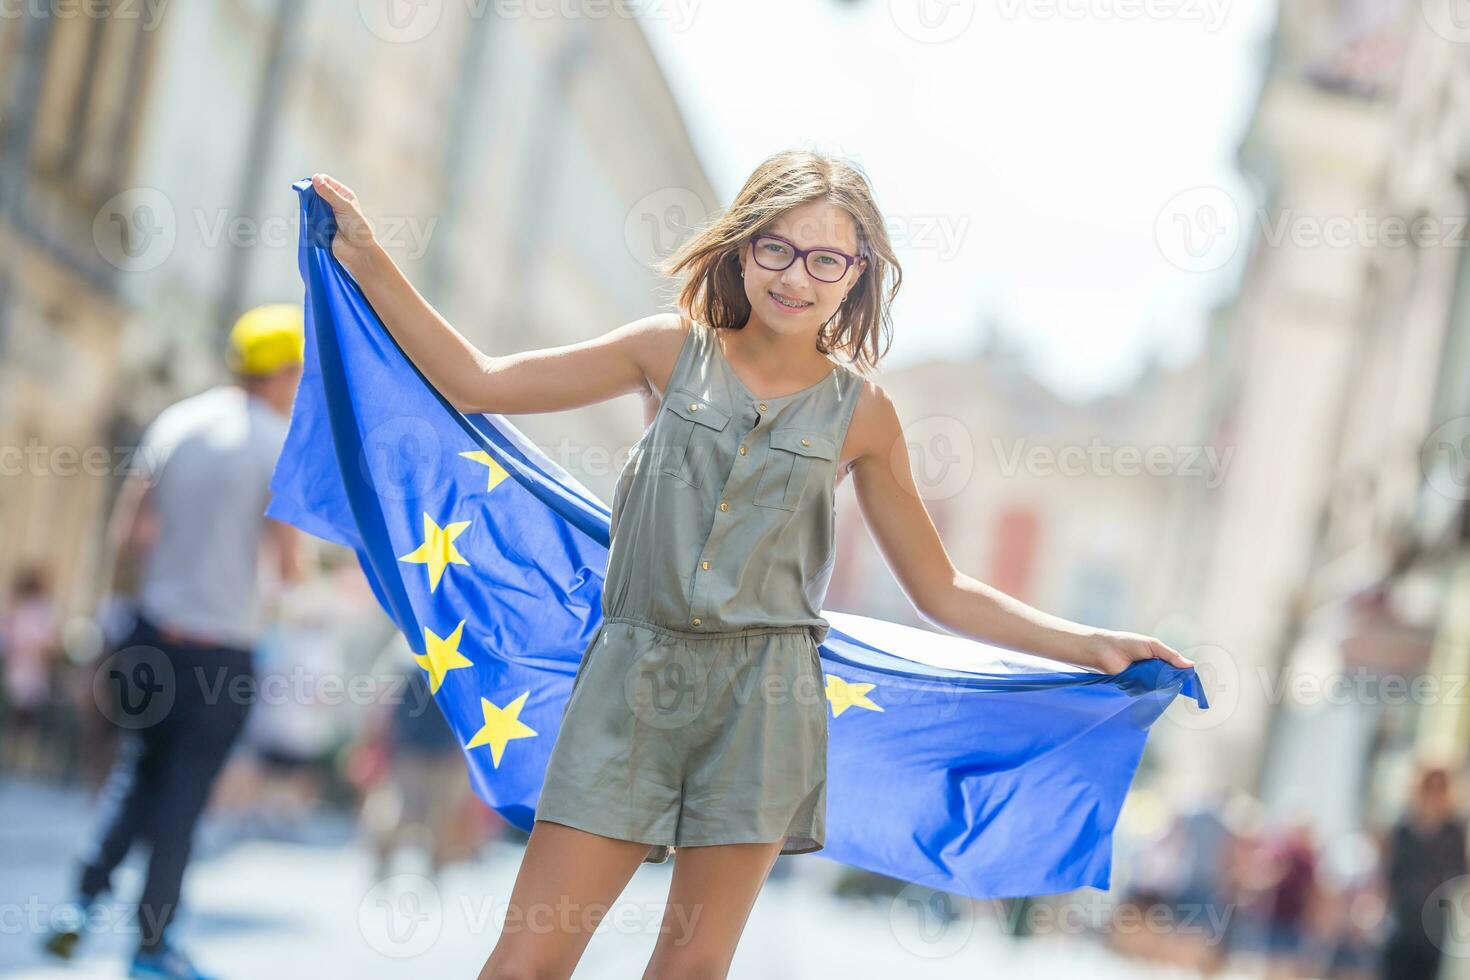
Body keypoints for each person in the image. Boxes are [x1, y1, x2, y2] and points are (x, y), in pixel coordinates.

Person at [309, 153, 1194, 979]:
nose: (796, 276)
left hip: (766, 709)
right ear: (742, 246)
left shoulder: (866, 415)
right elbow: (478, 382)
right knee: (528, 960)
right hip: (629, 681)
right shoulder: (668, 348)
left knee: (689, 970)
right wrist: (370, 260)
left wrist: (1092, 643)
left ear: (858, 278)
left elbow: (941, 588)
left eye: (827, 262)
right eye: (779, 247)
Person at [41, 304, 306, 980]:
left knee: (137, 774)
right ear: (279, 373)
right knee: (184, 797)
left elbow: (131, 534)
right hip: (222, 650)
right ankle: (152, 945)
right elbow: (288, 564)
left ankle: (80, 904)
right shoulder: (277, 444)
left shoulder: (177, 421)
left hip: (150, 634)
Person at [1382, 762, 1469, 980]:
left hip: (1434, 923)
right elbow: (1392, 873)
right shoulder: (1404, 828)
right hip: (1401, 921)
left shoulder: (1453, 831)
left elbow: (1459, 874)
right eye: (1430, 787)